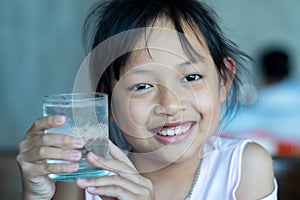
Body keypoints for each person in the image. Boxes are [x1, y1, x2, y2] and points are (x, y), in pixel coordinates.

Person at [16, 0, 277, 199]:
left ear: (223, 81)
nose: (171, 104)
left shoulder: (243, 168)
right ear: (106, 103)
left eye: (191, 77)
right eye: (142, 85)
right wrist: (37, 196)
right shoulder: (82, 177)